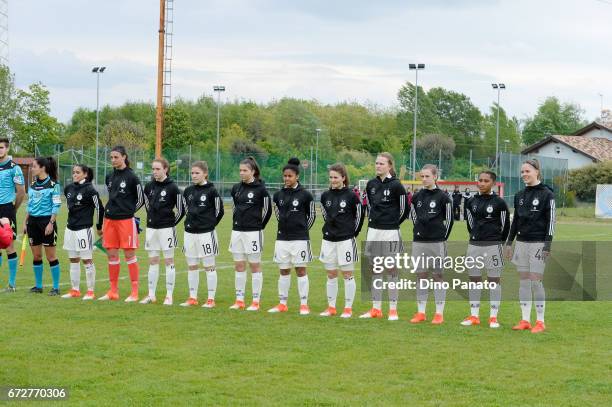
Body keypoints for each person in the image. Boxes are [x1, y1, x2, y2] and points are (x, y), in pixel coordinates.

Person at [504, 159, 555, 334]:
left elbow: (551, 222)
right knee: (524, 282)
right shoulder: (519, 195)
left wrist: (547, 245)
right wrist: (509, 243)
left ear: (537, 172)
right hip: (522, 243)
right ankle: (525, 319)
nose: (524, 174)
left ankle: (540, 321)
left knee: (536, 282)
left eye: (528, 171)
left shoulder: (547, 194)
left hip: (538, 243)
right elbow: (515, 221)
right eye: (522, 172)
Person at [360, 152, 408, 320]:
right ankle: (376, 308)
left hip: (391, 232)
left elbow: (404, 209)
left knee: (391, 269)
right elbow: (370, 207)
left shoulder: (396, 185)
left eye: (381, 163)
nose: (378, 166)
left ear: (389, 166)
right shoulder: (370, 184)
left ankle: (393, 310)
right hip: (373, 230)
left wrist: (392, 224)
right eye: (376, 163)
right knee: (375, 269)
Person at [461, 171, 510, 328]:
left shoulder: (500, 203)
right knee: (474, 280)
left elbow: (506, 226)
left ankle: (493, 317)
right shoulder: (471, 202)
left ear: (493, 183)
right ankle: (474, 315)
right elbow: (470, 223)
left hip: (493, 246)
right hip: (474, 245)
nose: (482, 183)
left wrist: (497, 242)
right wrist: (476, 236)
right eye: (480, 180)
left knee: (493, 280)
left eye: (486, 181)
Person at [268, 158, 316, 315]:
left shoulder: (305, 195)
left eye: (290, 176)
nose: (287, 178)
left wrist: (301, 230)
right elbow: (277, 213)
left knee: (301, 270)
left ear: (297, 176)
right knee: (283, 270)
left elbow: (312, 216)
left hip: (300, 239)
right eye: (285, 176)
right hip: (282, 239)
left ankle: (304, 304)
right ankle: (282, 303)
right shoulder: (278, 195)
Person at [98, 146, 145, 302]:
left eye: (116, 157)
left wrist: (129, 211)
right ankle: (113, 291)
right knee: (111, 254)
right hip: (109, 220)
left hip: (126, 221)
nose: (113, 160)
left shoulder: (132, 177)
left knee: (129, 255)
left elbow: (141, 199)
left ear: (124, 157)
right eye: (111, 157)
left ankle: (134, 292)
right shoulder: (109, 176)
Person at [409, 164, 454, 325]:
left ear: (435, 176)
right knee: (421, 276)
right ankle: (421, 312)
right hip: (419, 241)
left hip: (437, 242)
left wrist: (442, 237)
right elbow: (413, 216)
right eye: (422, 176)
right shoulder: (416, 197)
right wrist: (419, 231)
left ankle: (438, 314)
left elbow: (449, 220)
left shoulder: (443, 197)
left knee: (438, 276)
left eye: (427, 176)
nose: (424, 179)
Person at [319, 163, 364, 318]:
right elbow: (325, 215)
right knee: (331, 274)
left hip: (345, 240)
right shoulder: (325, 196)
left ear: (343, 178)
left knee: (347, 275)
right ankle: (331, 307)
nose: (333, 180)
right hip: (328, 240)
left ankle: (347, 308)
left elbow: (359, 215)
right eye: (331, 177)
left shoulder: (351, 196)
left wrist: (353, 233)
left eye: (336, 177)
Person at [140, 158, 185, 306]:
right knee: (152, 261)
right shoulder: (149, 186)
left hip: (167, 229)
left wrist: (171, 223)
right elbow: (146, 204)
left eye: (157, 169)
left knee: (168, 261)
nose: (154, 172)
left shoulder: (173, 187)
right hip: (151, 228)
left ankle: (169, 296)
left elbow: (181, 209)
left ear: (165, 169)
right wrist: (153, 218)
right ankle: (151, 295)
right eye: (153, 169)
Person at [228, 156, 272, 311]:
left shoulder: (261, 189)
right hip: (237, 231)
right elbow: (234, 208)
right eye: (240, 170)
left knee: (254, 266)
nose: (241, 173)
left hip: (253, 232)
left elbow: (268, 210)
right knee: (239, 265)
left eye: (245, 170)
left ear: (253, 171)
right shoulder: (236, 188)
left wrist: (260, 226)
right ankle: (239, 300)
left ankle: (255, 301)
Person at [181, 161, 224, 308]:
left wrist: (209, 225)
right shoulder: (188, 191)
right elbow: (186, 209)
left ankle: (211, 299)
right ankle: (192, 297)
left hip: (206, 233)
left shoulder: (212, 192)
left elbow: (220, 211)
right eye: (192, 173)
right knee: (192, 265)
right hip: (189, 233)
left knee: (209, 266)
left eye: (197, 173)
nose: (194, 175)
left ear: (205, 173)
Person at [62, 164, 104, 300]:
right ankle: (75, 290)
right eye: (73, 172)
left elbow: (100, 208)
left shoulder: (90, 190)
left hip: (84, 230)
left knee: (87, 260)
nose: (74, 174)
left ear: (85, 174)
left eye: (78, 172)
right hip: (70, 229)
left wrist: (99, 226)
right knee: (73, 259)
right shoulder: (68, 188)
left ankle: (90, 291)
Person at [23, 157, 61, 295]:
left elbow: (56, 205)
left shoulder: (53, 184)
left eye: (34, 166)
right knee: (37, 256)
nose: (32, 169)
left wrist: (51, 223)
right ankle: (38, 286)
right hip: (32, 222)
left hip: (46, 222)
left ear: (42, 168)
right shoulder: (33, 185)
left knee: (51, 256)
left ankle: (56, 287)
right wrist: (25, 222)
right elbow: (30, 205)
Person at [0, 138, 25, 292]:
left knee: (9, 246)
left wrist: (14, 209)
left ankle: (12, 283)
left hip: (7, 209)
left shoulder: (14, 168)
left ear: (7, 149)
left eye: (1, 147)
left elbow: (21, 191)